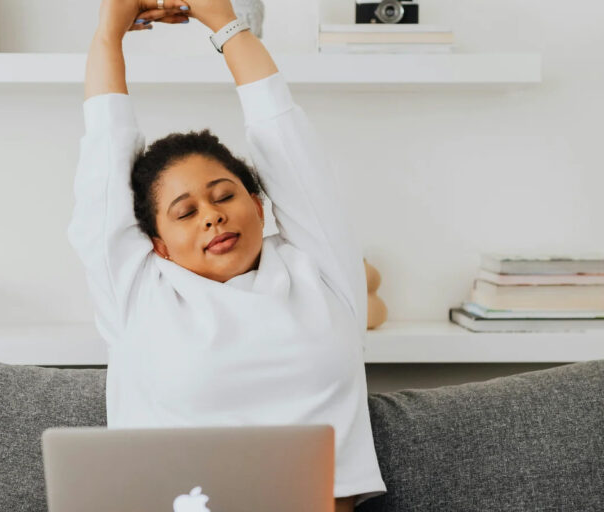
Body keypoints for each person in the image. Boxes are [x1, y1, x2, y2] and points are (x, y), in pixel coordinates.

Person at [67, 1, 387, 510]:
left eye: (224, 196)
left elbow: (286, 139)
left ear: (259, 206)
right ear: (157, 245)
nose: (212, 217)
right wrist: (109, 32)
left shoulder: (322, 271)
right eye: (185, 212)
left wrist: (223, 20)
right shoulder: (139, 294)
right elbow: (104, 159)